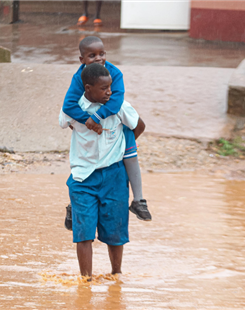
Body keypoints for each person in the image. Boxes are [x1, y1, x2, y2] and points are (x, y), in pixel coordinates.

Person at [62, 36, 151, 232]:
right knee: (85, 164)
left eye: (101, 54)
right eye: (92, 55)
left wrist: (99, 120)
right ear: (82, 60)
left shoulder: (115, 73)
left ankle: (139, 200)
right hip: (92, 133)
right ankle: (74, 206)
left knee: (130, 157)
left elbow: (116, 101)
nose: (98, 58)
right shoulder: (79, 78)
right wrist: (87, 121)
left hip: (115, 125)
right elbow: (68, 106)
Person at [59, 63, 140, 278]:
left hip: (114, 176)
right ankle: (85, 280)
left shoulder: (119, 106)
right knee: (83, 234)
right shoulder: (73, 109)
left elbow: (138, 125)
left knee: (116, 232)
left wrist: (125, 147)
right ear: (87, 88)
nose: (110, 92)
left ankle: (116, 275)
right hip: (82, 177)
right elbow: (64, 120)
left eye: (110, 87)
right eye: (103, 89)